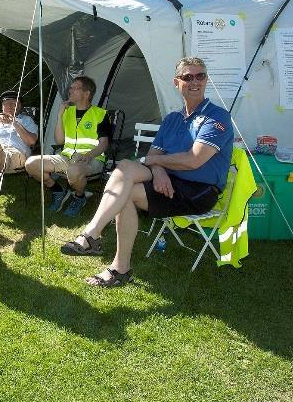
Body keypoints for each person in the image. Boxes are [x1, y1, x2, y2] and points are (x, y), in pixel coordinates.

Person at [64, 57, 234, 287]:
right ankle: (113, 262)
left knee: (126, 183)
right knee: (124, 170)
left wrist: (153, 162)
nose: (195, 81)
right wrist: (159, 170)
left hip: (198, 191)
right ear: (177, 83)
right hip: (168, 180)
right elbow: (154, 154)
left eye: (200, 76)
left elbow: (193, 160)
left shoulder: (217, 116)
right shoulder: (173, 118)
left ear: (206, 79)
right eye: (187, 77)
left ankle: (94, 239)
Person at [24, 75, 113, 217]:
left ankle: (79, 196)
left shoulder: (100, 114)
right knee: (31, 164)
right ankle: (57, 190)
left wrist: (89, 155)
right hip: (66, 157)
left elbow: (104, 144)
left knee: (73, 171)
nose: (70, 91)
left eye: (74, 88)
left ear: (86, 93)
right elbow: (60, 141)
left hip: (91, 159)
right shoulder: (67, 112)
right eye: (70, 88)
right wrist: (60, 115)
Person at [0, 90, 38, 220]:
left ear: (19, 106)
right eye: (6, 104)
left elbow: (32, 141)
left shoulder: (26, 120)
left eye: (14, 103)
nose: (9, 106)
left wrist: (15, 124)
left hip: (16, 155)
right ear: (2, 106)